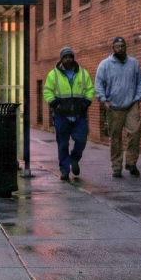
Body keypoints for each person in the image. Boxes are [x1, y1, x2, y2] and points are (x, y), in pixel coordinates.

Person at [95, 37, 141, 178]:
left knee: (135, 132)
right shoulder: (105, 64)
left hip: (131, 105)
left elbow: (140, 81)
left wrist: (138, 97)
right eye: (117, 46)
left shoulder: (133, 63)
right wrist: (103, 100)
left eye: (122, 46)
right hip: (113, 106)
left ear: (126, 47)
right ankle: (116, 166)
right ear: (113, 48)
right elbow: (99, 84)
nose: (120, 48)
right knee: (115, 137)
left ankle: (131, 163)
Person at [43, 46, 94, 181]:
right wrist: (55, 104)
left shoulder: (83, 73)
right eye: (65, 57)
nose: (68, 59)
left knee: (81, 140)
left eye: (70, 57)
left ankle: (74, 158)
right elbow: (47, 91)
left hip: (79, 115)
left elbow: (90, 90)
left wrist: (86, 103)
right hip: (61, 115)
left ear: (73, 58)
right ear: (61, 59)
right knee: (63, 144)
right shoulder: (53, 74)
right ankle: (64, 170)